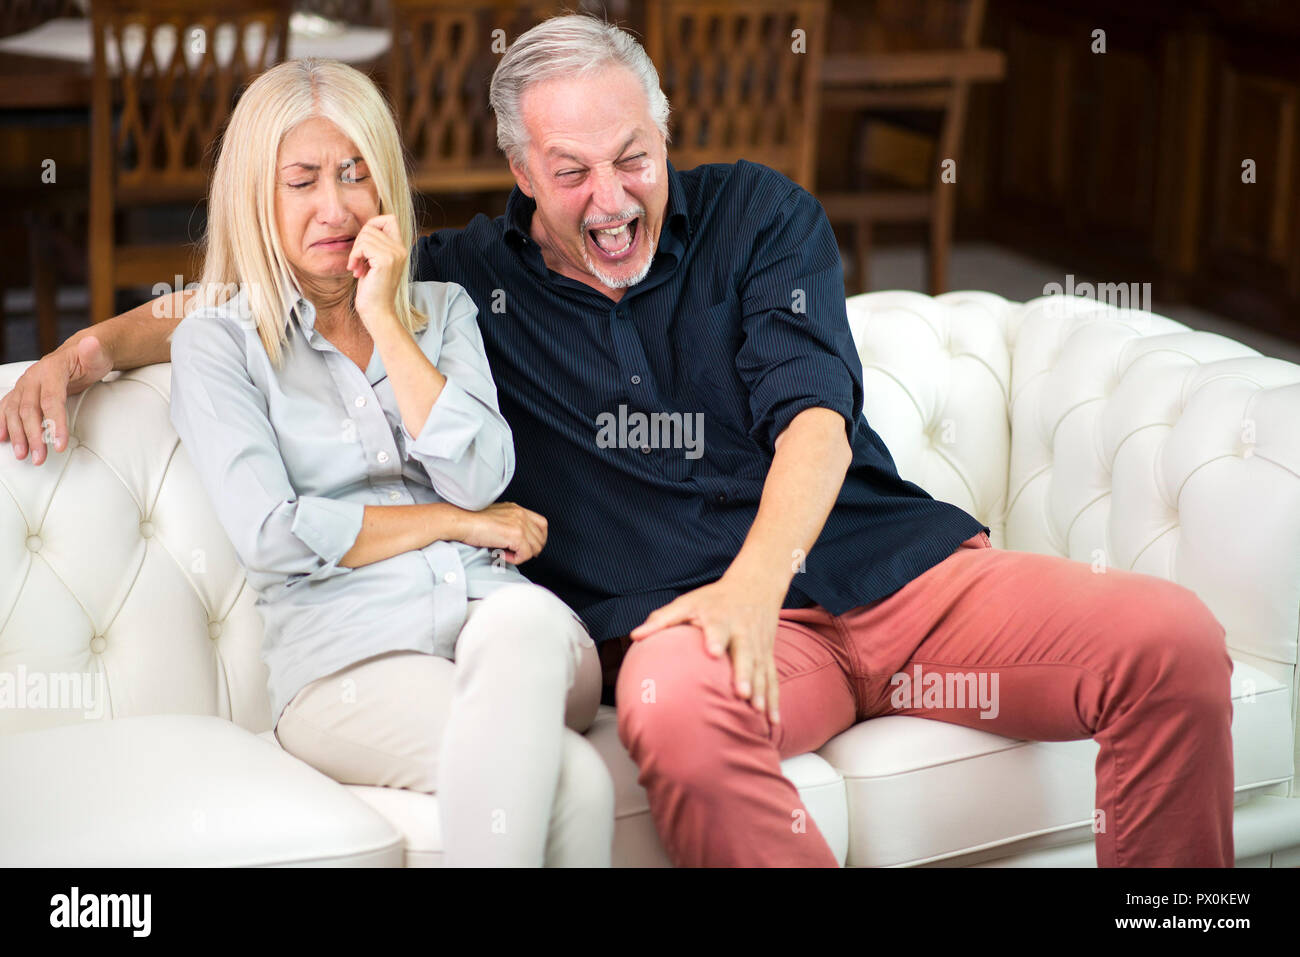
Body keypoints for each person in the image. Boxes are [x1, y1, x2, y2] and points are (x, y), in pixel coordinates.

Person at [1, 15, 1234, 867]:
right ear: (519, 171)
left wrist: (756, 588)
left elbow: (815, 413)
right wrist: (81, 352)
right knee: (675, 712)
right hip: (687, 632)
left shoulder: (758, 212)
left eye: (633, 156)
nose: (611, 196)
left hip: (895, 576)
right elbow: (261, 285)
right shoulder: (453, 291)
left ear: (666, 128)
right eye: (571, 167)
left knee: (1170, 640)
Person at [158, 57, 611, 867]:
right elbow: (275, 533)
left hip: (499, 623)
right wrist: (451, 523)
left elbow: (482, 474)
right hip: (350, 663)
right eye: (302, 181)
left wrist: (387, 322)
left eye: (356, 174)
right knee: (577, 784)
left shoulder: (442, 311)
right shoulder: (218, 345)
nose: (335, 206)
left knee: (526, 626)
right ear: (256, 196)